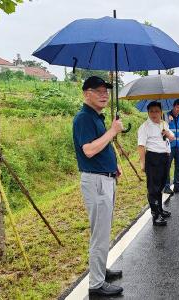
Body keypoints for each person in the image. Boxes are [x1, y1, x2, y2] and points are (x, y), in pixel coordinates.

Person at [73, 76, 124, 297]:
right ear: (86, 93)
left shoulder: (96, 117)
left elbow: (101, 147)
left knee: (104, 229)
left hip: (105, 178)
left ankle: (100, 270)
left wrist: (114, 166)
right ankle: (95, 285)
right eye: (99, 91)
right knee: (99, 234)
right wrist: (113, 131)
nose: (104, 95)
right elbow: (89, 150)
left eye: (106, 91)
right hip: (96, 182)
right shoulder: (84, 118)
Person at [138, 101, 175, 226]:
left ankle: (160, 209)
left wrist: (167, 133)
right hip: (153, 158)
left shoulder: (164, 124)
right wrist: (142, 163)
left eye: (157, 111)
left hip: (164, 157)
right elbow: (141, 146)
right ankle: (156, 215)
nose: (154, 114)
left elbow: (172, 138)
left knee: (160, 186)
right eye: (151, 111)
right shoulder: (144, 127)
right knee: (153, 188)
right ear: (148, 112)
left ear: (161, 112)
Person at [164, 99, 179, 195]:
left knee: (178, 166)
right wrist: (166, 121)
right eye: (177, 107)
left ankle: (176, 185)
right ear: (173, 106)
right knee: (167, 166)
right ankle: (166, 186)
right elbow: (162, 130)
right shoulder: (165, 116)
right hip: (169, 147)